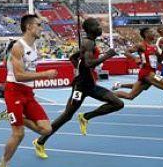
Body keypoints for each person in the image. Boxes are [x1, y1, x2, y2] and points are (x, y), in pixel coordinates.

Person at [34, 18, 124, 158]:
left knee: (118, 103)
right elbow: (88, 64)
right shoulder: (88, 42)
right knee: (67, 116)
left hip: (90, 85)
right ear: (90, 28)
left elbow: (73, 57)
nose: (100, 27)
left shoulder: (90, 42)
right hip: (80, 87)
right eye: (97, 25)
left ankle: (85, 117)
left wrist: (78, 67)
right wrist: (107, 56)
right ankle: (40, 142)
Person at [0, 14, 57, 167]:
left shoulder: (34, 46)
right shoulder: (18, 46)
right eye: (39, 25)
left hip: (28, 93)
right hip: (14, 91)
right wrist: (45, 74)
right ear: (29, 27)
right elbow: (20, 75)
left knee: (46, 129)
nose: (41, 28)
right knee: (19, 133)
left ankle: (14, 115)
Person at [114, 27, 163, 121]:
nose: (154, 34)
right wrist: (134, 58)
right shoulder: (141, 45)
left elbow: (159, 61)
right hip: (147, 73)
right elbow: (126, 52)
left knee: (130, 96)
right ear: (146, 34)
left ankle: (109, 95)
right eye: (151, 32)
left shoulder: (154, 46)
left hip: (150, 72)